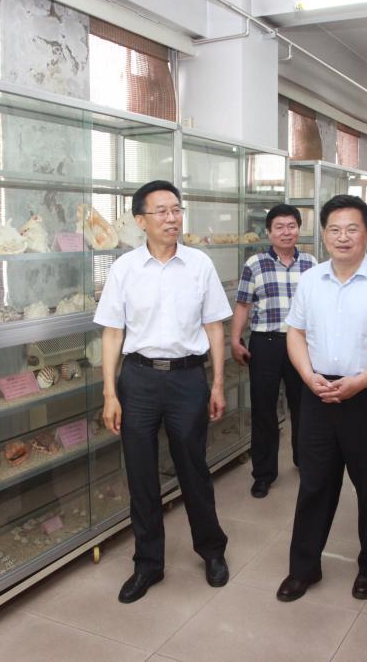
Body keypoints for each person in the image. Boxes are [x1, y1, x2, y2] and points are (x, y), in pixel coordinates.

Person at [94, 180, 231, 604]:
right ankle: (148, 564)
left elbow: (215, 327)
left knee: (193, 468)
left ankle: (212, 550)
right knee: (140, 474)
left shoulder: (199, 264)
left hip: (188, 378)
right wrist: (110, 393)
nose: (172, 218)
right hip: (138, 379)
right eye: (162, 211)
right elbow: (112, 333)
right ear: (141, 221)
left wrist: (217, 382)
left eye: (176, 209)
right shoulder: (124, 269)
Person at [276, 194, 367, 603]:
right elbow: (296, 332)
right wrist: (307, 376)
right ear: (323, 234)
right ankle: (303, 569)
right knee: (314, 484)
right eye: (334, 229)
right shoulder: (311, 279)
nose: (343, 237)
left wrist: (361, 381)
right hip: (318, 392)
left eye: (352, 228)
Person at [230, 204, 317, 499]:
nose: (286, 232)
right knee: (263, 409)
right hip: (265, 344)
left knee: (303, 407)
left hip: (301, 344)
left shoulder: (311, 264)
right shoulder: (255, 264)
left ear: (299, 229)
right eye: (279, 227)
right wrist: (235, 339)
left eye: (291, 226)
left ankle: (305, 462)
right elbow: (243, 304)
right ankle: (264, 474)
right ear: (268, 232)